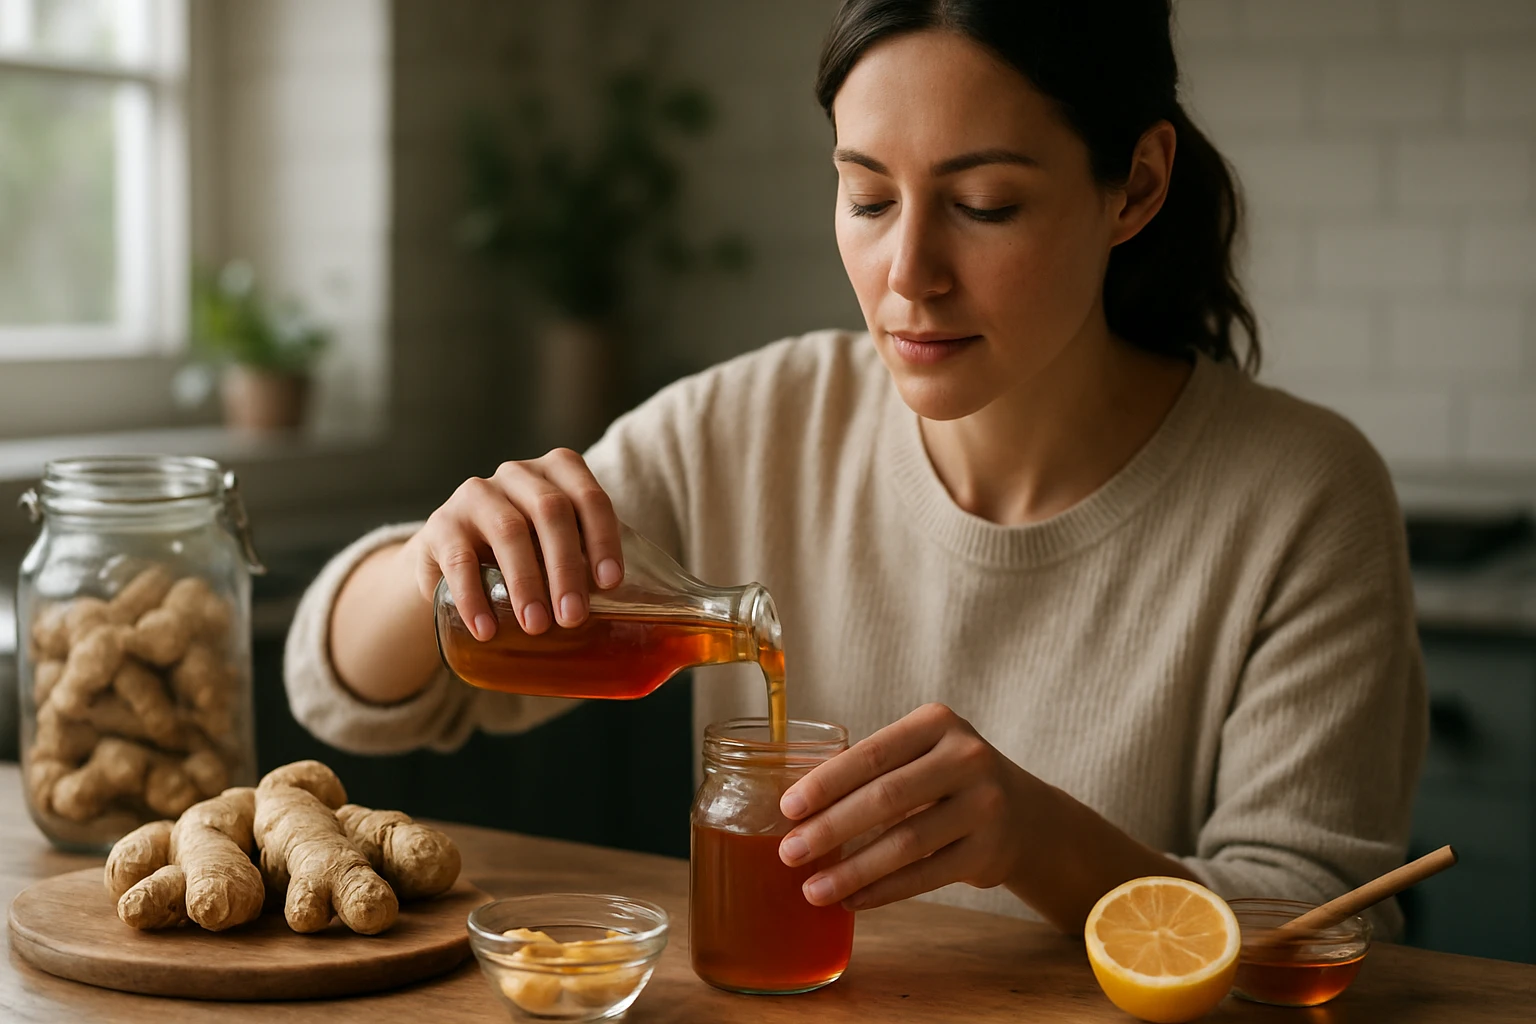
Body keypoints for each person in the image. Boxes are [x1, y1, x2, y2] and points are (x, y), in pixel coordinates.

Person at [286, 0, 1426, 936]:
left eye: (985, 205)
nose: (906, 274)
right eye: (869, 196)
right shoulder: (748, 422)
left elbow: (1316, 926)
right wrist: (436, 554)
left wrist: (1036, 839)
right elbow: (349, 691)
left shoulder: (1302, 497)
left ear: (1135, 184)